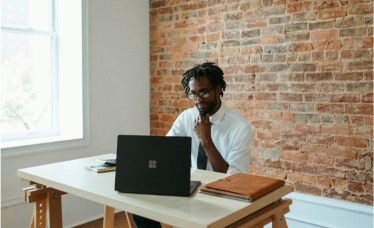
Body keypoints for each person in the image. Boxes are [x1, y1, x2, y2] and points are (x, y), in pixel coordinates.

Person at [133, 62, 252, 227]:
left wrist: (206, 141)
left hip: (222, 195)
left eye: (204, 92)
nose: (198, 99)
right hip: (193, 187)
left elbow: (233, 179)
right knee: (141, 206)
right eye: (193, 93)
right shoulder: (186, 117)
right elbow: (164, 151)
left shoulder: (239, 127)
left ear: (218, 89)